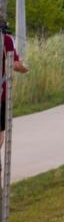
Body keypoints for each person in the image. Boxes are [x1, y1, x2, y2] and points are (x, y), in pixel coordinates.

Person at [0, 22, 29, 152]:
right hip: (1, 94)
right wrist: (25, 68)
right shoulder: (5, 39)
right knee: (0, 131)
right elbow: (15, 65)